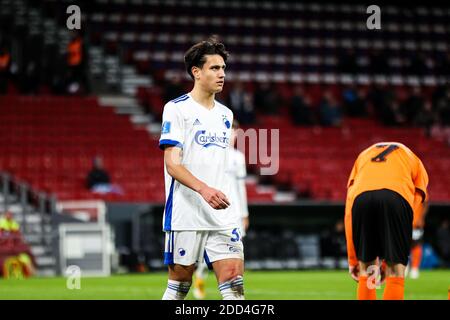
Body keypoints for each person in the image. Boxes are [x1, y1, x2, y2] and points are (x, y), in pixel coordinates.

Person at [159, 39, 245, 300]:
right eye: (215, 68)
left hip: (222, 213)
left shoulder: (226, 115)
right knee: (180, 287)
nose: (222, 74)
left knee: (234, 284)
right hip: (186, 213)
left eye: (223, 68)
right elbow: (172, 163)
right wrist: (203, 189)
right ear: (196, 72)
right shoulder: (176, 109)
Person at [345, 142, 428, 300]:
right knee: (395, 270)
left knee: (367, 270)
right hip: (397, 197)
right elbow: (414, 205)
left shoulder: (362, 156)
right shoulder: (413, 158)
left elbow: (349, 209)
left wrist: (353, 259)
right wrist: (389, 258)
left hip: (361, 199)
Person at [192, 120, 250, 299]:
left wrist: (244, 213)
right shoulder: (210, 154)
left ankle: (234, 289)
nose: (233, 135)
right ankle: (200, 278)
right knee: (205, 252)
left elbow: (241, 187)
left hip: (234, 212)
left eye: (235, 131)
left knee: (237, 252)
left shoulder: (238, 157)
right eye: (230, 131)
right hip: (213, 209)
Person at [406, 201, 428, 279]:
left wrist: (421, 218)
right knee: (403, 246)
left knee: (416, 245)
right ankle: (405, 266)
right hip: (404, 222)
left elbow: (426, 204)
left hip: (416, 224)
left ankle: (414, 268)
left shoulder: (419, 189)